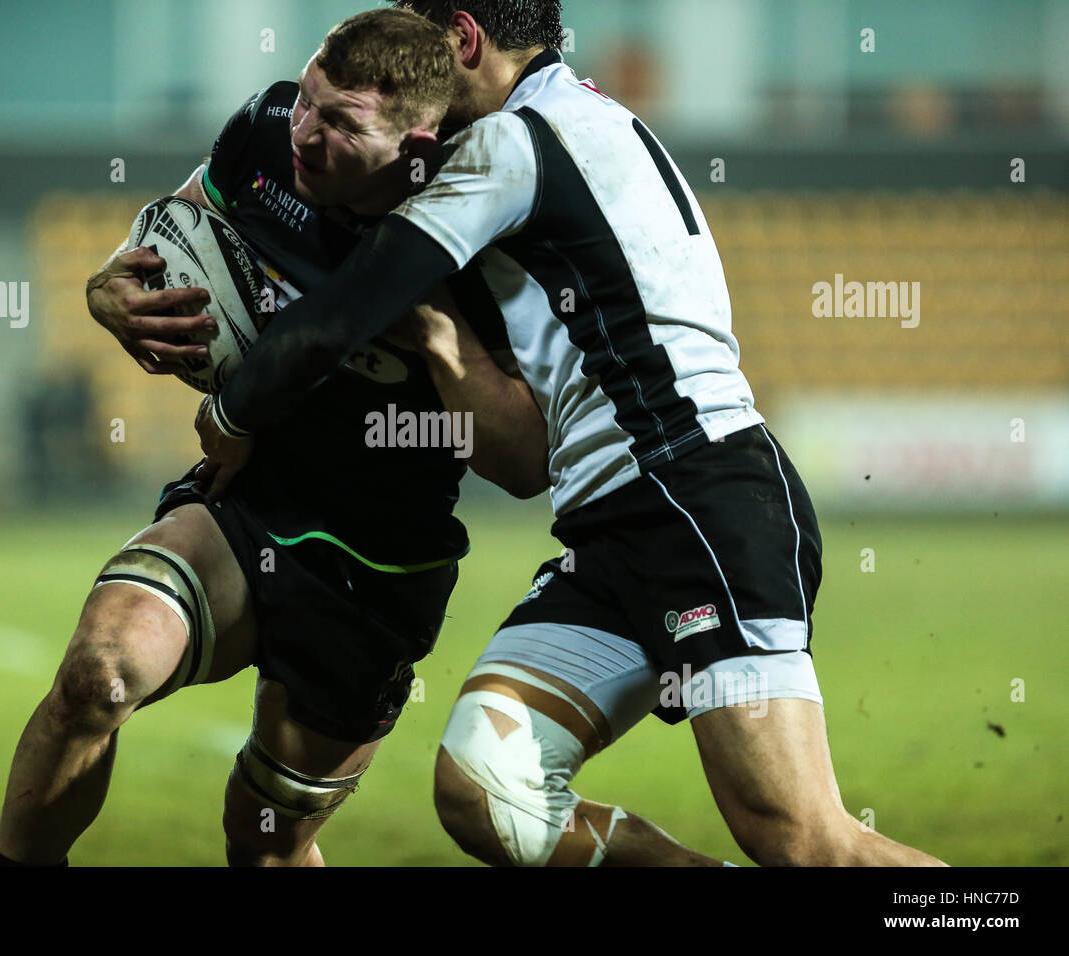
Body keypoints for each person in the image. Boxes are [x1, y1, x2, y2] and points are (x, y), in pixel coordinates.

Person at [195, 0, 946, 867]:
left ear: (465, 40)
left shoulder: (512, 144)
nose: (402, 71)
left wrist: (230, 411)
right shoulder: (582, 119)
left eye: (417, 41)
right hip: (618, 523)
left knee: (804, 842)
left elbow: (346, 309)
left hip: (693, 499)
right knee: (486, 788)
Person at [0, 7, 548, 868]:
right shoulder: (261, 132)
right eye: (309, 102)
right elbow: (173, 230)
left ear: (417, 150)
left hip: (381, 569)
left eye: (341, 123)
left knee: (264, 840)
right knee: (96, 677)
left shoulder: (478, 236)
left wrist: (440, 341)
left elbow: (522, 466)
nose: (305, 135)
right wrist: (109, 291)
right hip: (246, 501)